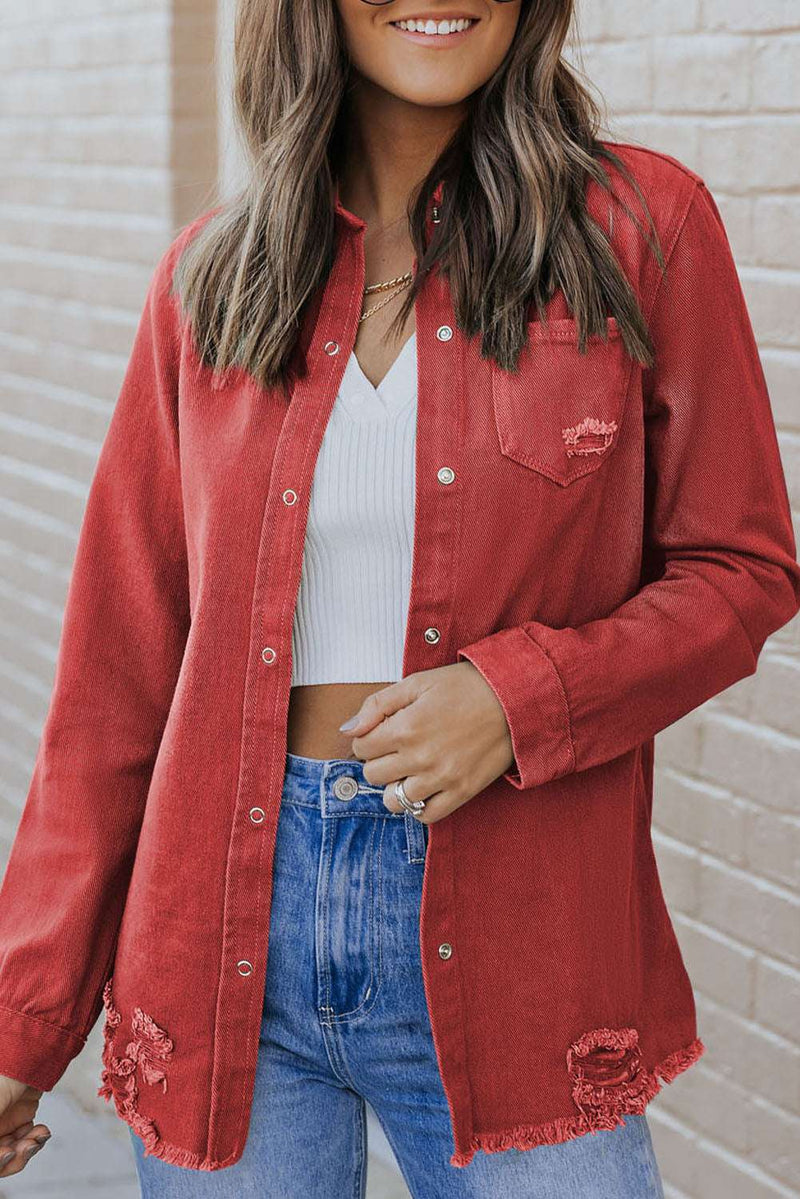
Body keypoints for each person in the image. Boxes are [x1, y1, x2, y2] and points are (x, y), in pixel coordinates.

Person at [1, 0, 798, 1194]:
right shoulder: (208, 280)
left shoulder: (636, 230)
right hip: (224, 943)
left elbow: (740, 570)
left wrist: (515, 696)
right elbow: (113, 692)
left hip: (523, 935)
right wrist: (24, 1018)